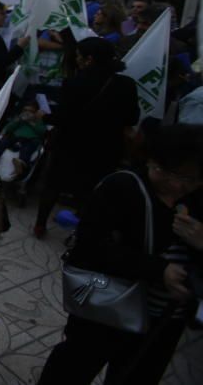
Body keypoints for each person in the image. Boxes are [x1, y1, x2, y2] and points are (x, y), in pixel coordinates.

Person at [38, 124, 203, 384]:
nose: (177, 185)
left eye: (190, 179)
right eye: (169, 172)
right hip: (108, 306)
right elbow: (89, 247)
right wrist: (158, 269)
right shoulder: (122, 187)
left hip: (165, 320)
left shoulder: (197, 200)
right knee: (73, 368)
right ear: (152, 160)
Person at [34, 37, 140, 237]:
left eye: (79, 57)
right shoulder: (127, 84)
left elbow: (63, 117)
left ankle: (41, 223)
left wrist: (44, 116)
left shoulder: (75, 82)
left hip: (71, 144)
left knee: (53, 184)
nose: (77, 60)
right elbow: (132, 117)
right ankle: (83, 229)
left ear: (89, 59)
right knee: (93, 190)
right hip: (107, 147)